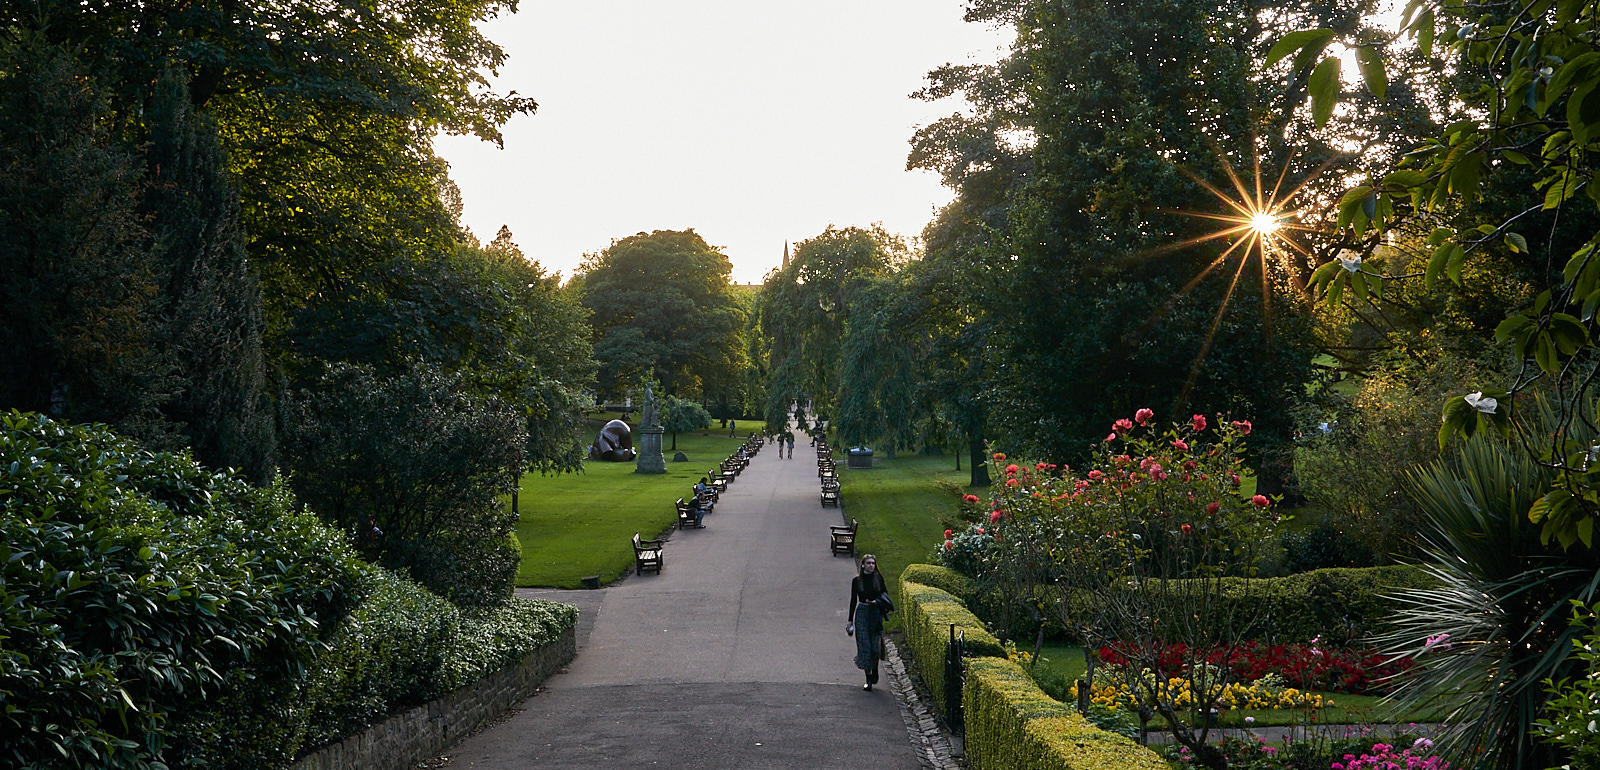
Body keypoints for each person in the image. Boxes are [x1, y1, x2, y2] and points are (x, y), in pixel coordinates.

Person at [847, 554, 891, 690]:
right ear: (863, 565)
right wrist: (850, 620)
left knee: (874, 647)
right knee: (864, 647)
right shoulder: (857, 581)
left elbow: (885, 596)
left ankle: (875, 668)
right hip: (862, 614)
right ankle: (868, 678)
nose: (871, 566)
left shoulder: (878, 578)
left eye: (873, 563)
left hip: (875, 614)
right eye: (868, 563)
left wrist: (876, 602)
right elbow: (853, 600)